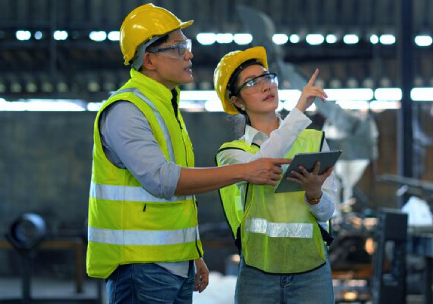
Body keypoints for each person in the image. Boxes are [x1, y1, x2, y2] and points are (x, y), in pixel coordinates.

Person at [86, 5, 290, 304]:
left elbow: (179, 199)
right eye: (178, 48)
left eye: (187, 46)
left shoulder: (165, 107)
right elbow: (163, 180)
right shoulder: (126, 110)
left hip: (172, 263)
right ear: (150, 59)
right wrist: (246, 171)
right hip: (141, 266)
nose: (189, 55)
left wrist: (192, 254)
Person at [213, 46, 338, 304]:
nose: (265, 86)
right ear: (237, 101)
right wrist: (299, 111)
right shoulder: (233, 154)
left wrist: (315, 195)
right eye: (252, 83)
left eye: (267, 78)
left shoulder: (314, 141)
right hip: (258, 274)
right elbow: (261, 166)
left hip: (311, 273)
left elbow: (327, 213)